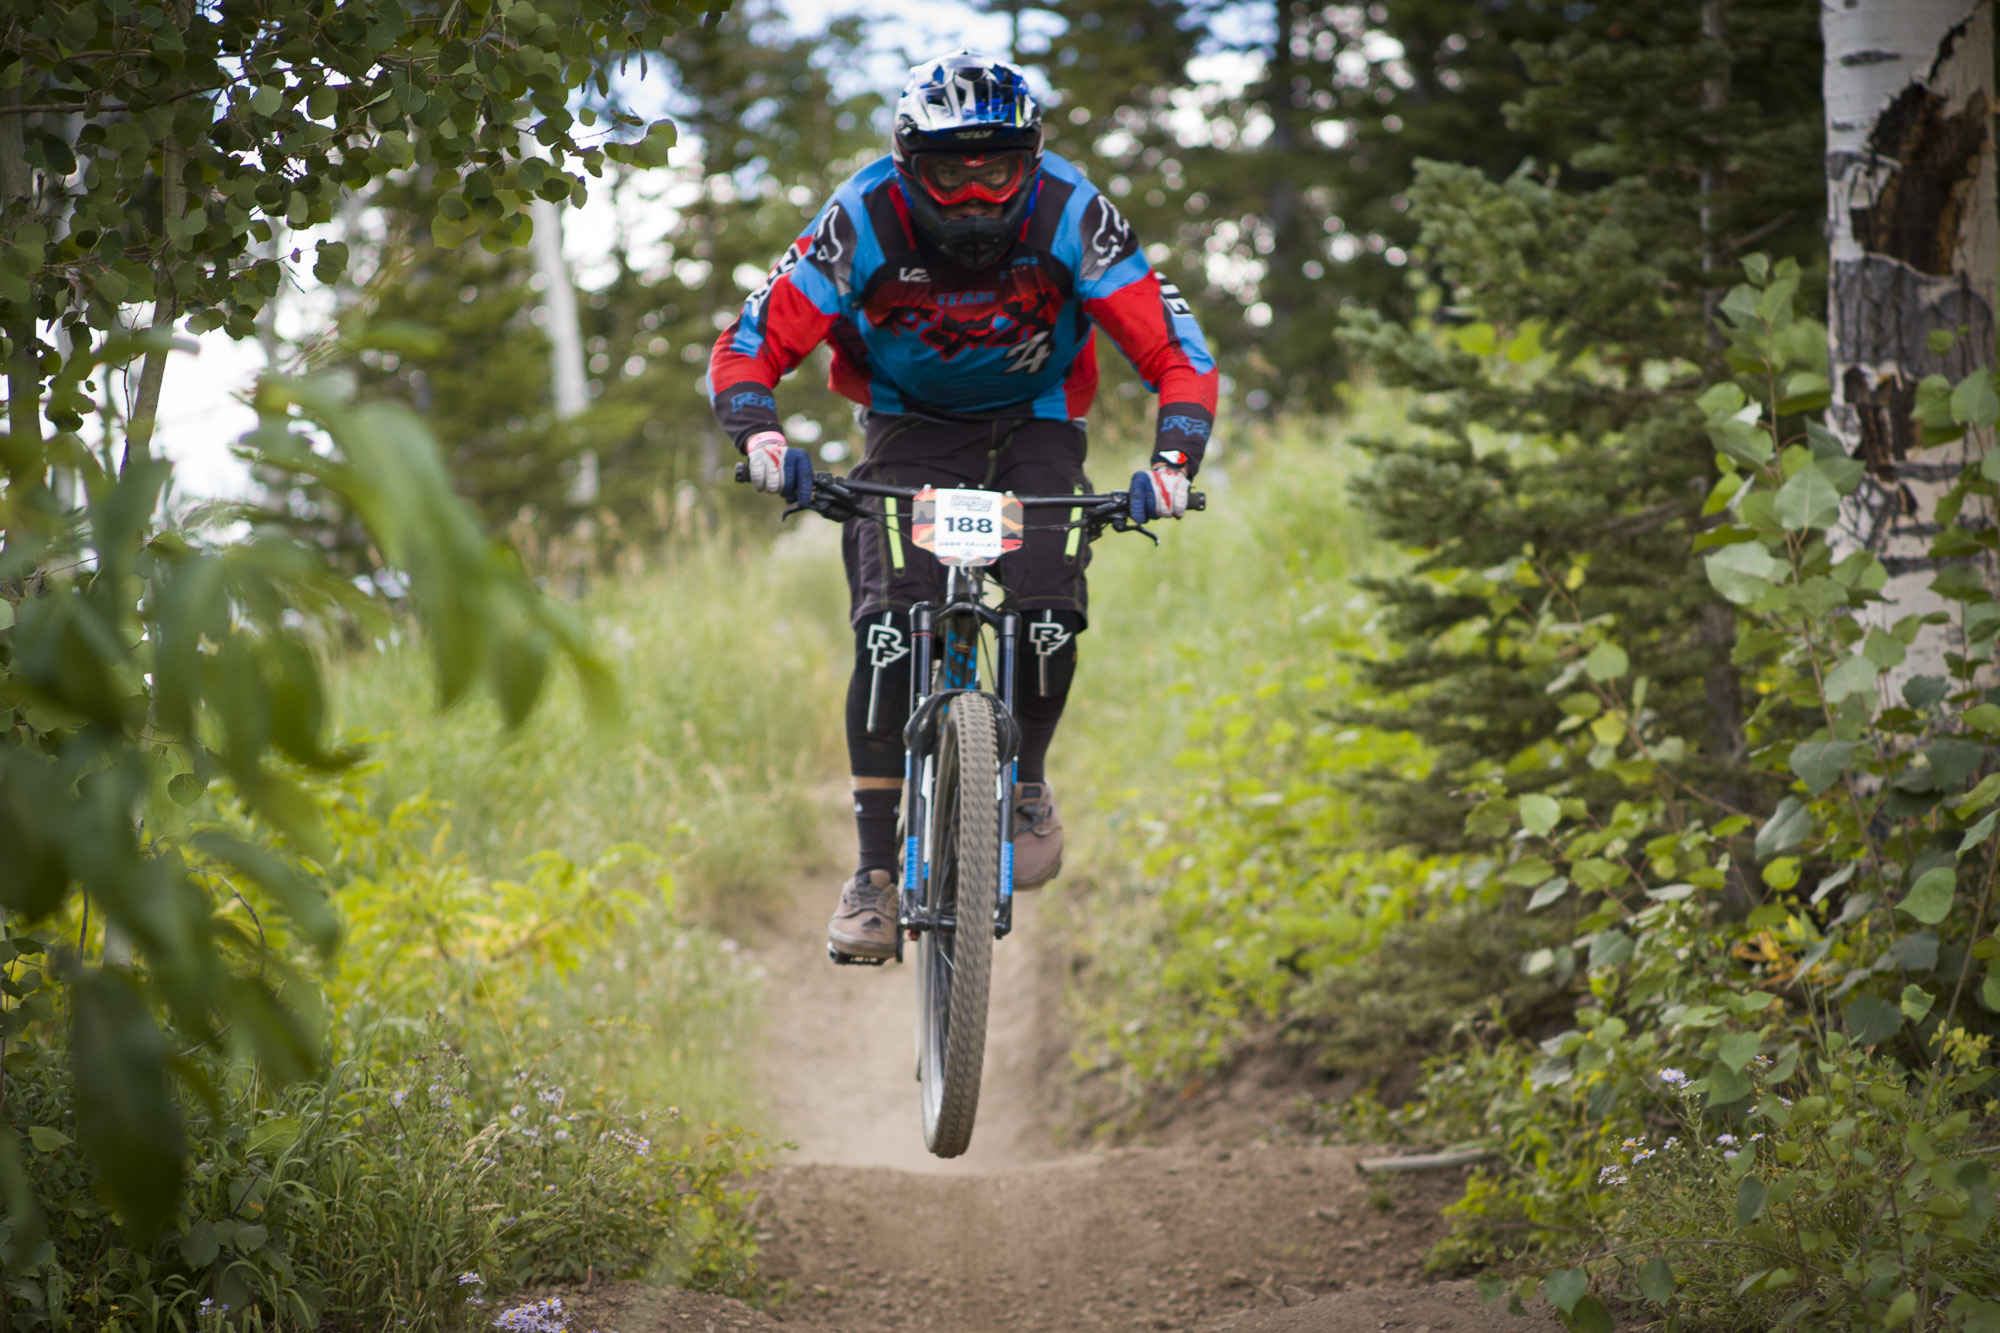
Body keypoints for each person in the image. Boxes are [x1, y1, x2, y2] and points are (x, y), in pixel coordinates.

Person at [708, 49, 1218, 961]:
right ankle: (871, 876)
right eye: (951, 171)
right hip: (909, 427)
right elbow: (749, 345)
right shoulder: (860, 218)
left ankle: (1026, 781)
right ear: (910, 165)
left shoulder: (1073, 213)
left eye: (997, 169)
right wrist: (764, 439)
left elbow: (1178, 350)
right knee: (888, 629)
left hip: (1039, 420)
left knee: (1050, 599)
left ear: (1032, 159)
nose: (977, 195)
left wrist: (1173, 462)